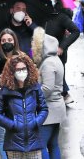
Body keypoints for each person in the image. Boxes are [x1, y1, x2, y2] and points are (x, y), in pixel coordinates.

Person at [0, 53, 49, 159]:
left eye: (24, 68)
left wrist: (36, 122)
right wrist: (12, 125)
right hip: (13, 144)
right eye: (18, 70)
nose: (22, 72)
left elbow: (44, 109)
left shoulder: (35, 88)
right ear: (12, 72)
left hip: (34, 142)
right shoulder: (5, 91)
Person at [0, 28, 24, 159]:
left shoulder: (21, 58)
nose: (6, 42)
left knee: (17, 137)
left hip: (18, 104)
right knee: (2, 138)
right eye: (3, 40)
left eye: (9, 40)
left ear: (14, 41)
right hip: (0, 104)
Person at [31, 27, 66, 159]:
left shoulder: (48, 63)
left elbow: (47, 88)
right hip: (57, 109)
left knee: (41, 145)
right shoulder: (55, 60)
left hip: (49, 111)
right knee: (53, 144)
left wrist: (33, 97)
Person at [44, 0, 79, 104]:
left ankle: (64, 94)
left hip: (58, 54)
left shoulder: (62, 16)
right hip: (42, 53)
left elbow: (75, 31)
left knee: (58, 76)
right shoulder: (40, 16)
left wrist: (62, 47)